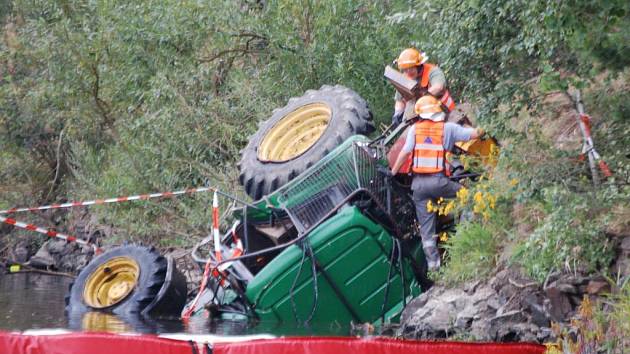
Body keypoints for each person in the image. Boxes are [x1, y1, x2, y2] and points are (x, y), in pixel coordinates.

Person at [390, 95, 483, 271]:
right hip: (439, 182)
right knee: (469, 198)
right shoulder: (448, 128)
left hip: (418, 187)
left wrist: (392, 172)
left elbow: (404, 153)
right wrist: (487, 125)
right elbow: (475, 134)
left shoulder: (414, 130)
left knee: (427, 231)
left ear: (419, 114)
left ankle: (434, 267)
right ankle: (465, 237)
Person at [392, 48, 456, 126]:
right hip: (423, 118)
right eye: (405, 70)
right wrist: (398, 112)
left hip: (447, 113)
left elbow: (438, 87)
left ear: (418, 65)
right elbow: (399, 100)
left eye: (411, 68)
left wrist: (420, 101)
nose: (408, 72)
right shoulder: (404, 79)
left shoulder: (433, 71)